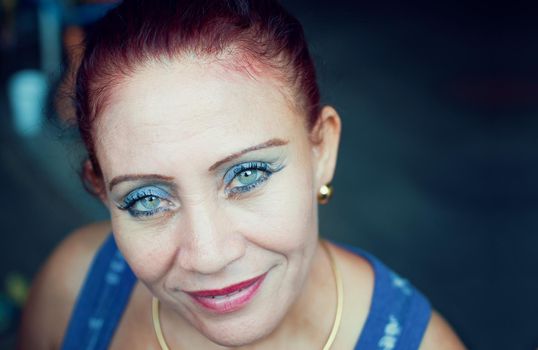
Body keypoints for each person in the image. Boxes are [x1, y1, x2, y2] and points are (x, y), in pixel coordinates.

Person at [18, 1, 466, 349]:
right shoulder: (74, 293)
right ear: (102, 192)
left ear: (322, 151)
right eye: (147, 199)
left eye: (248, 174)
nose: (209, 256)